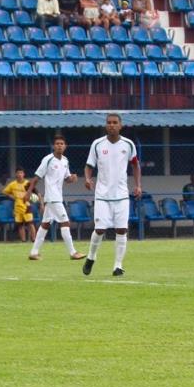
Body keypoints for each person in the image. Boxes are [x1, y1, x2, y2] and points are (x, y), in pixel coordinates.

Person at [82, 113, 142, 277]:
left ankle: (118, 265)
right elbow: (88, 166)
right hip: (102, 195)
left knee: (122, 229)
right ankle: (91, 257)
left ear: (120, 125)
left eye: (115, 122)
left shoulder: (128, 144)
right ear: (105, 125)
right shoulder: (97, 144)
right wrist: (87, 179)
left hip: (122, 195)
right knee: (100, 229)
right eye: (109, 122)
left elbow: (136, 165)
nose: (112, 125)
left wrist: (137, 185)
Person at [24, 135, 86, 261]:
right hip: (53, 197)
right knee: (65, 222)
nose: (59, 145)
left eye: (62, 143)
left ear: (65, 146)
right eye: (57, 143)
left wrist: (72, 179)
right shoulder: (48, 159)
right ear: (54, 146)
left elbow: (67, 179)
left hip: (57, 197)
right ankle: (73, 252)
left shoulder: (65, 161)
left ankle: (34, 252)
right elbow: (36, 177)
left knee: (45, 224)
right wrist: (29, 192)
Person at [2, 167, 36, 242]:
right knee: (20, 225)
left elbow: (35, 193)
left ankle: (34, 239)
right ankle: (23, 240)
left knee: (30, 223)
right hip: (17, 206)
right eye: (18, 173)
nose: (20, 174)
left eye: (21, 173)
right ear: (16, 174)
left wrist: (30, 198)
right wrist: (12, 197)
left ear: (24, 174)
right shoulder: (13, 184)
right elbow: (4, 192)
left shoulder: (27, 183)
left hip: (27, 206)